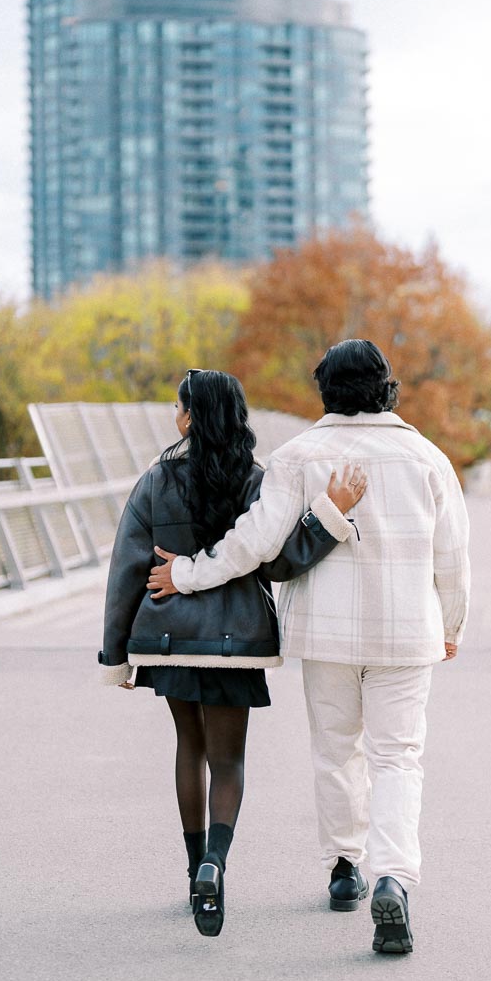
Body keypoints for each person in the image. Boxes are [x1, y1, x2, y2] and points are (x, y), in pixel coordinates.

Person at [148, 340, 470, 956]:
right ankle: (393, 878)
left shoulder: (297, 457)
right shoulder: (429, 459)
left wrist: (186, 574)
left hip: (325, 635)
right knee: (397, 757)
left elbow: (254, 544)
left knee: (335, 751)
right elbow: (453, 557)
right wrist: (452, 623)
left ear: (325, 390)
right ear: (386, 389)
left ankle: (345, 867)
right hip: (406, 633)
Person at [98, 368, 367, 938]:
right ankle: (217, 864)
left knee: (188, 746)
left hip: (168, 637)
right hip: (235, 641)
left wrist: (116, 652)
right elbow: (277, 560)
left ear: (189, 416)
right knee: (229, 760)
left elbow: (126, 567)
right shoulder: (256, 481)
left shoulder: (156, 481)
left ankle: (194, 866)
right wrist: (329, 521)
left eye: (179, 407)